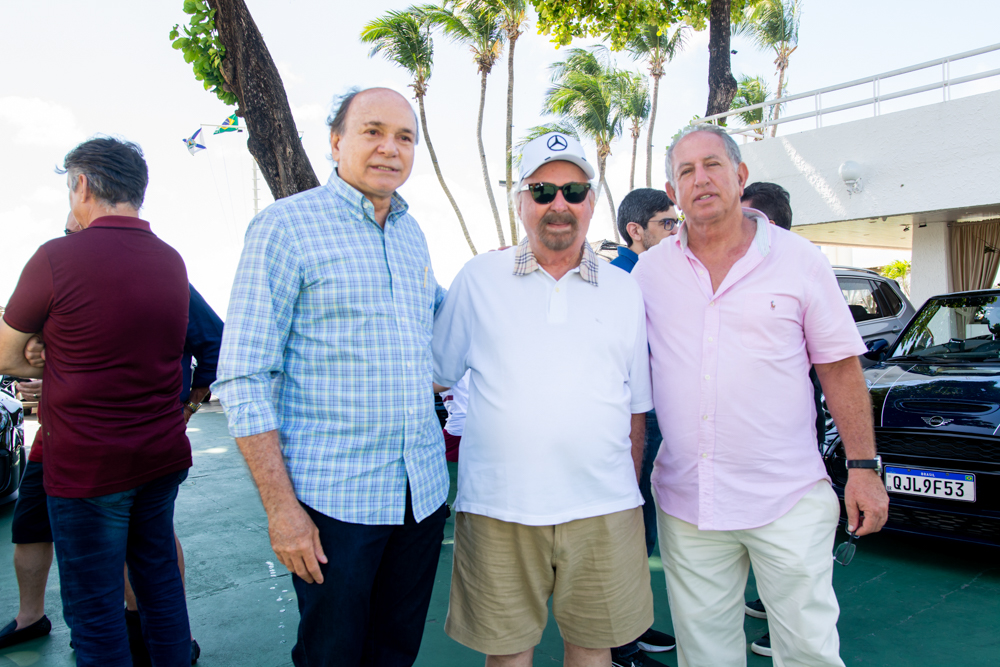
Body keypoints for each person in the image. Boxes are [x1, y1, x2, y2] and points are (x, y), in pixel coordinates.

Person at [631, 124, 890, 667]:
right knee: (705, 656)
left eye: (712, 165)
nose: (700, 180)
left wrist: (864, 468)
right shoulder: (649, 273)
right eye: (685, 171)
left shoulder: (800, 260)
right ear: (673, 191)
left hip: (786, 498)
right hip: (687, 503)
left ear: (739, 174)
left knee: (808, 653)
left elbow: (840, 368)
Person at [213, 87, 450, 667]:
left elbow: (445, 318)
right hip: (334, 504)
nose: (390, 149)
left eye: (404, 137)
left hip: (418, 499)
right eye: (373, 131)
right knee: (331, 656)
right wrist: (282, 511)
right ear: (336, 140)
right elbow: (244, 377)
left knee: (394, 653)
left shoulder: (410, 233)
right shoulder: (285, 228)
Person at [432, 132, 655, 667]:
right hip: (498, 507)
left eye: (574, 191)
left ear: (592, 203)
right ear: (521, 202)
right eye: (543, 190)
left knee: (592, 650)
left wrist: (623, 493)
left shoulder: (626, 290)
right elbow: (436, 376)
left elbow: (635, 412)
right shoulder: (478, 278)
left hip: (602, 508)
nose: (560, 204)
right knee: (508, 655)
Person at [0, 137, 193, 667]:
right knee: (160, 589)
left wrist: (47, 355)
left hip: (87, 468)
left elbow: (6, 355)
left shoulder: (56, 257)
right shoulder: (171, 261)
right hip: (159, 458)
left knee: (95, 610)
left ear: (82, 185)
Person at [738, 181, 827, 657]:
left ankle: (782, 623)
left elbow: (832, 362)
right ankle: (768, 603)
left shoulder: (801, 267)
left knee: (792, 550)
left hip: (788, 442)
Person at [608, 189, 680, 664]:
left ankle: (632, 626)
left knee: (644, 532)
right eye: (666, 223)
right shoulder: (615, 281)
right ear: (637, 231)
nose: (676, 230)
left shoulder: (661, 275)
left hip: (656, 417)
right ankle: (618, 643)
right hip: (630, 421)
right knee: (627, 531)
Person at [439, 370, 470, 462]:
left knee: (434, 454)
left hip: (458, 423)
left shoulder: (448, 366)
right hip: (475, 419)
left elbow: (446, 384)